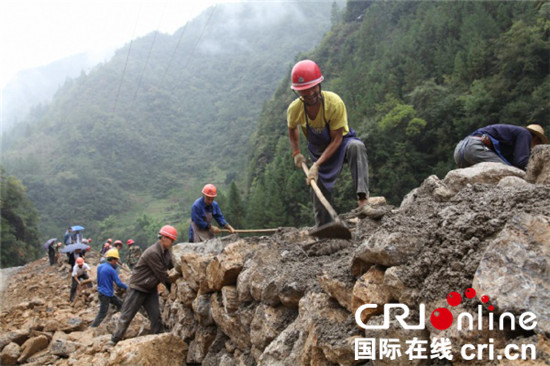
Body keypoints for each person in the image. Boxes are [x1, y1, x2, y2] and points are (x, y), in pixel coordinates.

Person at [287, 59, 370, 226]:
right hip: (317, 149)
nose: (310, 94)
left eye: (312, 88)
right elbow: (292, 128)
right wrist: (296, 152)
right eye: (304, 91)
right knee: (317, 185)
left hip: (341, 144)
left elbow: (337, 138)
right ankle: (325, 227)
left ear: (319, 84)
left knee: (357, 147)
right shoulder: (295, 109)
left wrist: (316, 165)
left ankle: (363, 201)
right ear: (298, 92)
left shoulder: (334, 103)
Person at [109, 225, 177, 345]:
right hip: (138, 287)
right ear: (164, 238)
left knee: (156, 317)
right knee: (127, 315)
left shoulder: (166, 252)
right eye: (171, 240)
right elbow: (162, 274)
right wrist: (173, 290)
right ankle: (114, 339)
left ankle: (158, 341)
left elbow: (172, 267)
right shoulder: (153, 252)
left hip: (150, 289)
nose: (172, 243)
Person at [454, 124, 548, 170]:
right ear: (536, 138)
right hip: (475, 147)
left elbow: (513, 162)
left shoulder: (512, 140)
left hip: (459, 151)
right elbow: (521, 162)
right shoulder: (525, 134)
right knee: (510, 173)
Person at [91, 249, 128, 327]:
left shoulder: (100, 266)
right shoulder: (111, 270)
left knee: (120, 304)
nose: (117, 262)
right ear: (113, 259)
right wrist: (127, 287)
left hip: (102, 292)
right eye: (116, 260)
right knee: (103, 312)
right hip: (106, 294)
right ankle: (93, 327)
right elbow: (118, 283)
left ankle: (117, 318)